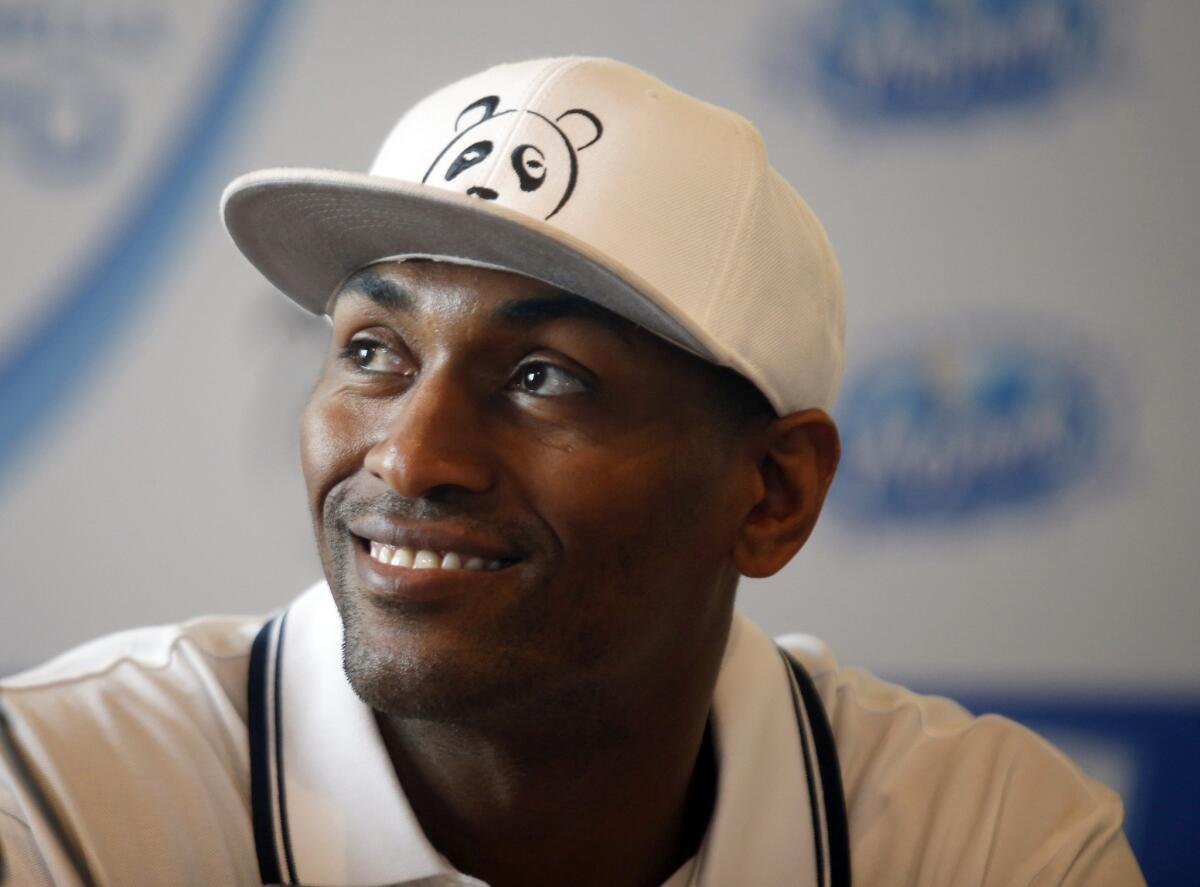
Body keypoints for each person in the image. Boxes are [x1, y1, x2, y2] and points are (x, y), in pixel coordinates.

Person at [0, 57, 1143, 887]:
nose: (408, 453)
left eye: (546, 376)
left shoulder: (993, 840)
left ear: (774, 493)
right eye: (371, 352)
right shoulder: (55, 807)